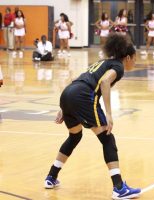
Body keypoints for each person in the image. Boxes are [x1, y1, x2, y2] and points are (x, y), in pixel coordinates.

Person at [43, 33, 141, 200]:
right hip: (83, 97)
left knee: (74, 136)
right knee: (108, 139)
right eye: (135, 59)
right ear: (128, 57)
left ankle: (51, 177)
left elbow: (77, 79)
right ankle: (119, 188)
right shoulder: (118, 66)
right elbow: (104, 82)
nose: (135, 62)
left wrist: (64, 106)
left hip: (69, 93)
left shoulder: (102, 62)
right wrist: (109, 113)